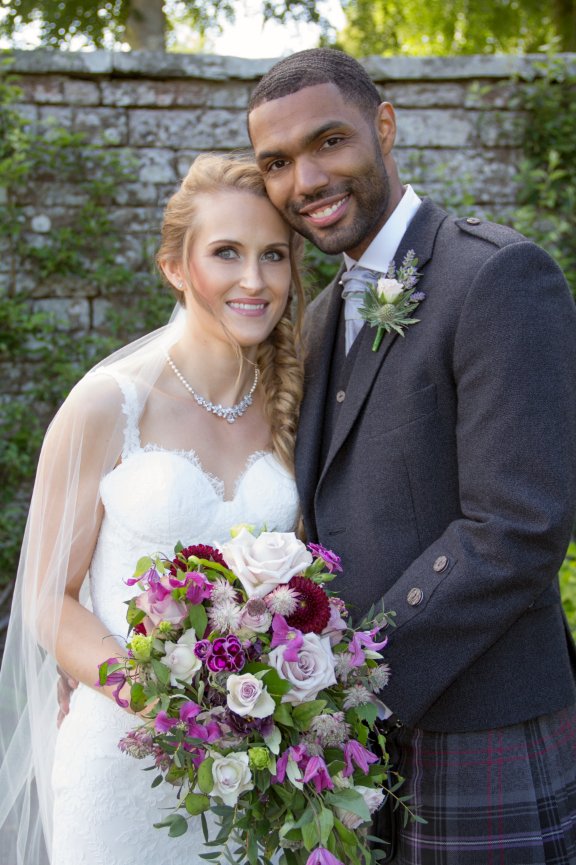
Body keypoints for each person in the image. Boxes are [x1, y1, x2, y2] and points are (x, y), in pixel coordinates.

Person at [247, 48, 576, 864]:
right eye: (278, 163)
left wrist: (356, 673)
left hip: (483, 718)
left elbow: (520, 526)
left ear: (384, 127)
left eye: (329, 142)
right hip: (362, 739)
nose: (306, 180)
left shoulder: (496, 275)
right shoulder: (318, 318)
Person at [0, 153, 305, 865]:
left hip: (257, 766)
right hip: (125, 760)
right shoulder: (108, 403)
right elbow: (47, 597)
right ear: (175, 265)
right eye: (226, 253)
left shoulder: (293, 403)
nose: (254, 280)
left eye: (274, 255)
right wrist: (168, 704)